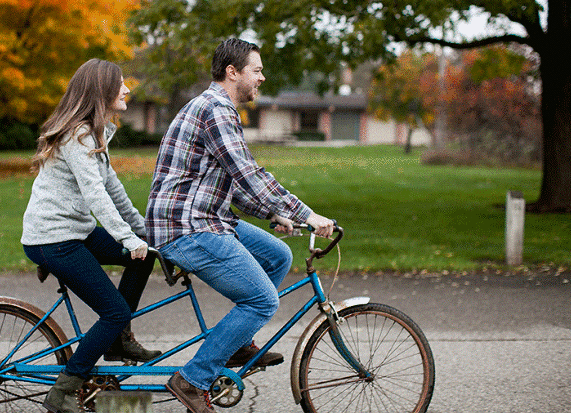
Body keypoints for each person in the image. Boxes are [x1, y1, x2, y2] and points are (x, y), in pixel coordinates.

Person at [145, 38, 337, 413]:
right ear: (232, 72)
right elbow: (248, 174)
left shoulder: (217, 109)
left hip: (206, 217)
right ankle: (192, 379)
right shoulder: (216, 109)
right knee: (263, 300)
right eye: (257, 70)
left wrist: (275, 214)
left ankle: (236, 344)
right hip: (187, 227)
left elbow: (230, 182)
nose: (262, 77)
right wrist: (305, 214)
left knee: (278, 255)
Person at [21, 58, 160, 413]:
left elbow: (113, 188)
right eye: (120, 84)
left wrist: (145, 235)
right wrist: (128, 238)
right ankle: (64, 390)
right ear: (101, 91)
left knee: (143, 258)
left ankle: (117, 343)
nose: (127, 89)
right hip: (53, 238)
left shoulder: (93, 133)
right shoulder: (79, 135)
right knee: (113, 310)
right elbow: (94, 194)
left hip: (74, 232)